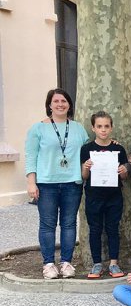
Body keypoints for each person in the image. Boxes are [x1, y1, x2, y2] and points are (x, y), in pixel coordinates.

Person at [25, 88, 89, 279]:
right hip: (46, 183)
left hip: (72, 182)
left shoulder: (78, 128)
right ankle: (49, 264)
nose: (60, 104)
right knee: (47, 224)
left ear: (69, 105)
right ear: (49, 105)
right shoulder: (38, 128)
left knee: (69, 224)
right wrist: (31, 182)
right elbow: (31, 156)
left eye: (64, 101)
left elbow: (89, 151)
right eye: (56, 101)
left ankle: (66, 262)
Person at [80, 111, 130, 278]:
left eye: (106, 126)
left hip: (114, 196)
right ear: (93, 128)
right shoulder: (87, 149)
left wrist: (123, 170)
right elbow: (84, 177)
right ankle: (96, 264)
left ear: (111, 128)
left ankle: (114, 264)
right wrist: (86, 168)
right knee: (94, 229)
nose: (103, 130)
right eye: (99, 126)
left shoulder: (118, 148)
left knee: (113, 229)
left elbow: (123, 176)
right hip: (94, 195)